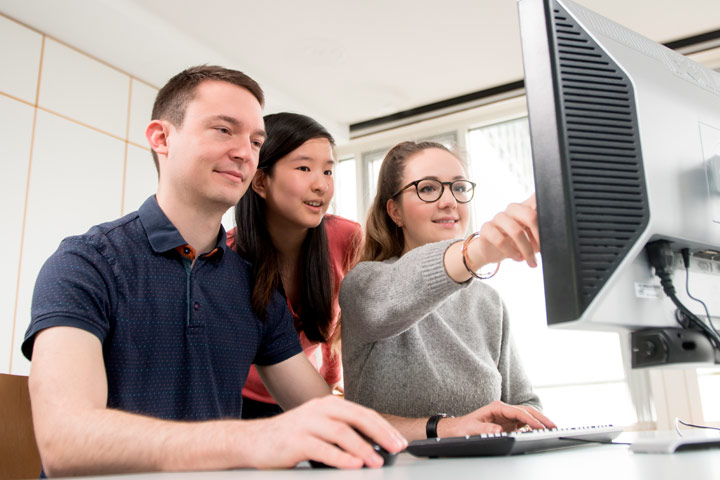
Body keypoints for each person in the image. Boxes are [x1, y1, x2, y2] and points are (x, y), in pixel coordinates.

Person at [21, 65, 407, 477]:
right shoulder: (85, 264)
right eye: (224, 130)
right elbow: (64, 443)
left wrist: (446, 428)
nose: (245, 152)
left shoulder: (254, 286)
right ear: (161, 138)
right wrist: (259, 439)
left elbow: (327, 413)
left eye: (255, 141)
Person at [339, 140, 556, 439]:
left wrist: (522, 423)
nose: (450, 201)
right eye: (428, 188)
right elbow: (404, 287)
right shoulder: (363, 284)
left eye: (459, 188)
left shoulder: (488, 302)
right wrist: (479, 251)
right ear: (395, 212)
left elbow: (523, 402)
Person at [228, 112, 361, 418]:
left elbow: (340, 328)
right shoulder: (228, 255)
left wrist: (329, 385)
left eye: (328, 172)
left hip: (308, 398)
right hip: (236, 405)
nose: (321, 186)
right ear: (260, 181)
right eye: (304, 168)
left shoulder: (346, 237)